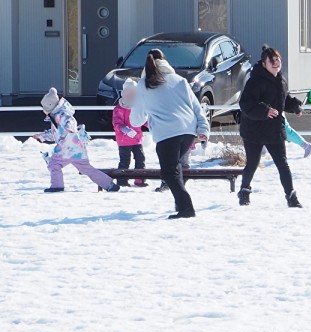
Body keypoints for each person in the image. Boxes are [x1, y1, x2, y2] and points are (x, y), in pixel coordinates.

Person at [130, 49, 210, 219]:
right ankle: (180, 204)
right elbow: (197, 107)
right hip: (188, 132)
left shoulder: (144, 84)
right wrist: (203, 129)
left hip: (167, 134)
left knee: (169, 172)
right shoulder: (180, 80)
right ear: (165, 61)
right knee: (175, 168)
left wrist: (147, 111)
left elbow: (136, 120)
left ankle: (186, 208)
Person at [238, 45, 304, 207]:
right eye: (271, 61)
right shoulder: (255, 81)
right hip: (254, 130)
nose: (276, 63)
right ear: (264, 64)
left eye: (277, 59)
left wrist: (294, 106)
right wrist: (265, 110)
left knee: (282, 163)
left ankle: (291, 197)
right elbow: (245, 104)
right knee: (252, 163)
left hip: (274, 130)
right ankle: (244, 191)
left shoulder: (281, 80)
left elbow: (283, 99)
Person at [34, 87, 120, 193]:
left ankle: (57, 186)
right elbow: (55, 134)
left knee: (54, 164)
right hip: (77, 149)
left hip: (66, 148)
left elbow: (70, 122)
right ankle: (109, 185)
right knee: (86, 168)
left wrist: (70, 127)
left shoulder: (62, 115)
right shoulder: (57, 116)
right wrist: (42, 136)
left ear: (50, 106)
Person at [112, 78, 147, 187]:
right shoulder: (119, 109)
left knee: (140, 159)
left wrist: (153, 125)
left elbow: (143, 119)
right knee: (125, 161)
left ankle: (140, 180)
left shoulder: (138, 107)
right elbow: (117, 123)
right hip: (124, 140)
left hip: (137, 138)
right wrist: (125, 129)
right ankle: (122, 181)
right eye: (129, 92)